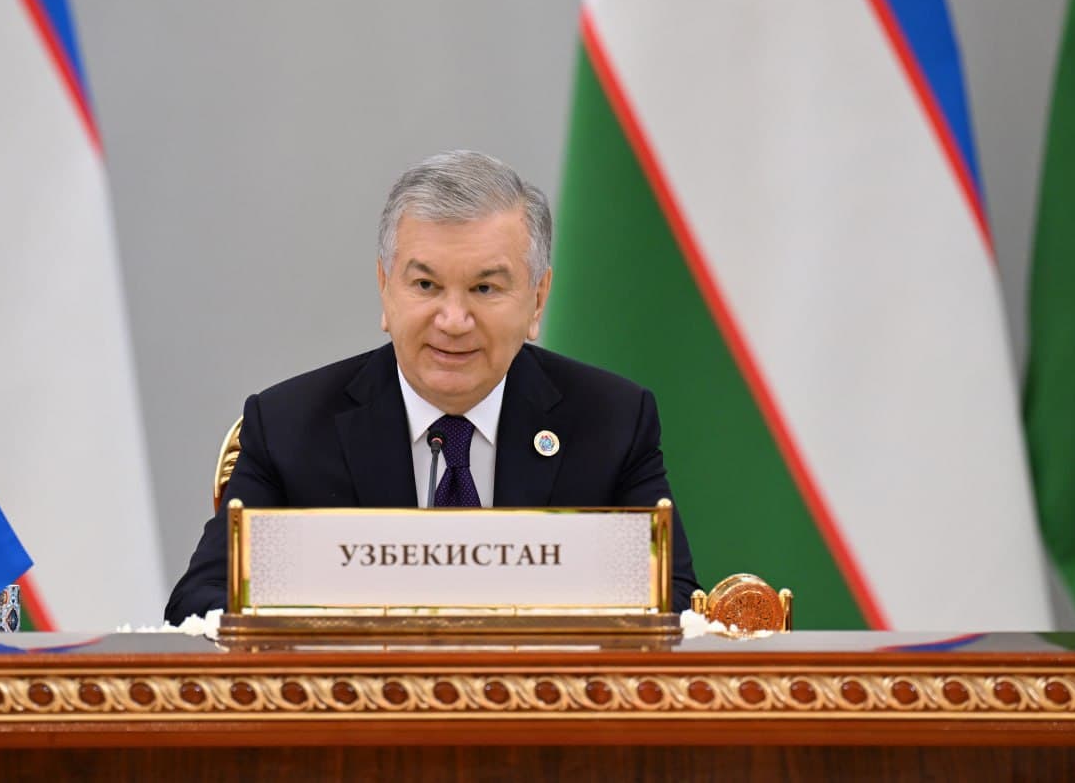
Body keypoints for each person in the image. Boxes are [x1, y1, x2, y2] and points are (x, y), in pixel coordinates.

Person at [165, 150, 698, 623]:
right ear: (384, 288)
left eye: (485, 288)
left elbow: (673, 606)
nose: (453, 319)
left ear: (537, 300)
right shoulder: (290, 428)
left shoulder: (610, 422)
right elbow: (201, 602)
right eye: (426, 285)